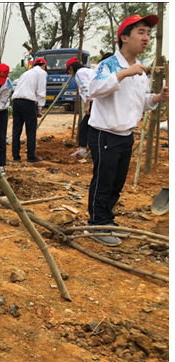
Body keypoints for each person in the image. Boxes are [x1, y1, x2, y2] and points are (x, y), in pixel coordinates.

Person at [85, 14, 169, 247]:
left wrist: (157, 97)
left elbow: (140, 102)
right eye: (140, 32)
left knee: (117, 181)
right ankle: (96, 224)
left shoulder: (140, 70)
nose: (146, 38)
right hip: (105, 133)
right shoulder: (110, 65)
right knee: (104, 180)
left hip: (125, 135)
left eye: (148, 33)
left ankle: (107, 219)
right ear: (124, 37)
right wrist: (123, 74)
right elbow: (94, 90)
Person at [67, 53, 113, 159]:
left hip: (93, 101)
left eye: (69, 71)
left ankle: (86, 150)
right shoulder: (89, 71)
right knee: (95, 125)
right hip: (98, 100)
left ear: (71, 68)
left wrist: (87, 105)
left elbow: (87, 88)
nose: (70, 74)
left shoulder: (79, 73)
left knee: (85, 126)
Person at [11, 57, 47, 163]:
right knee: (31, 130)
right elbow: (41, 92)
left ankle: (15, 155)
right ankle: (31, 156)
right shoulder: (42, 73)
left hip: (16, 101)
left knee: (16, 129)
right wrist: (40, 108)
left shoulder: (25, 73)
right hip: (28, 101)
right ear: (44, 66)